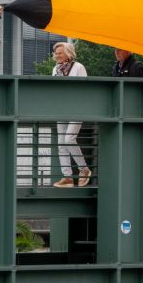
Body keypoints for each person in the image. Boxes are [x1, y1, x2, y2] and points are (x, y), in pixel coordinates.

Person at [50, 42, 91, 188]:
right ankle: (67, 177)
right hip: (61, 109)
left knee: (69, 139)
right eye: (55, 53)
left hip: (76, 109)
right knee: (61, 143)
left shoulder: (78, 67)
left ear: (68, 53)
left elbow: (85, 89)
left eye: (59, 53)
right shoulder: (55, 69)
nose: (57, 55)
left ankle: (84, 169)